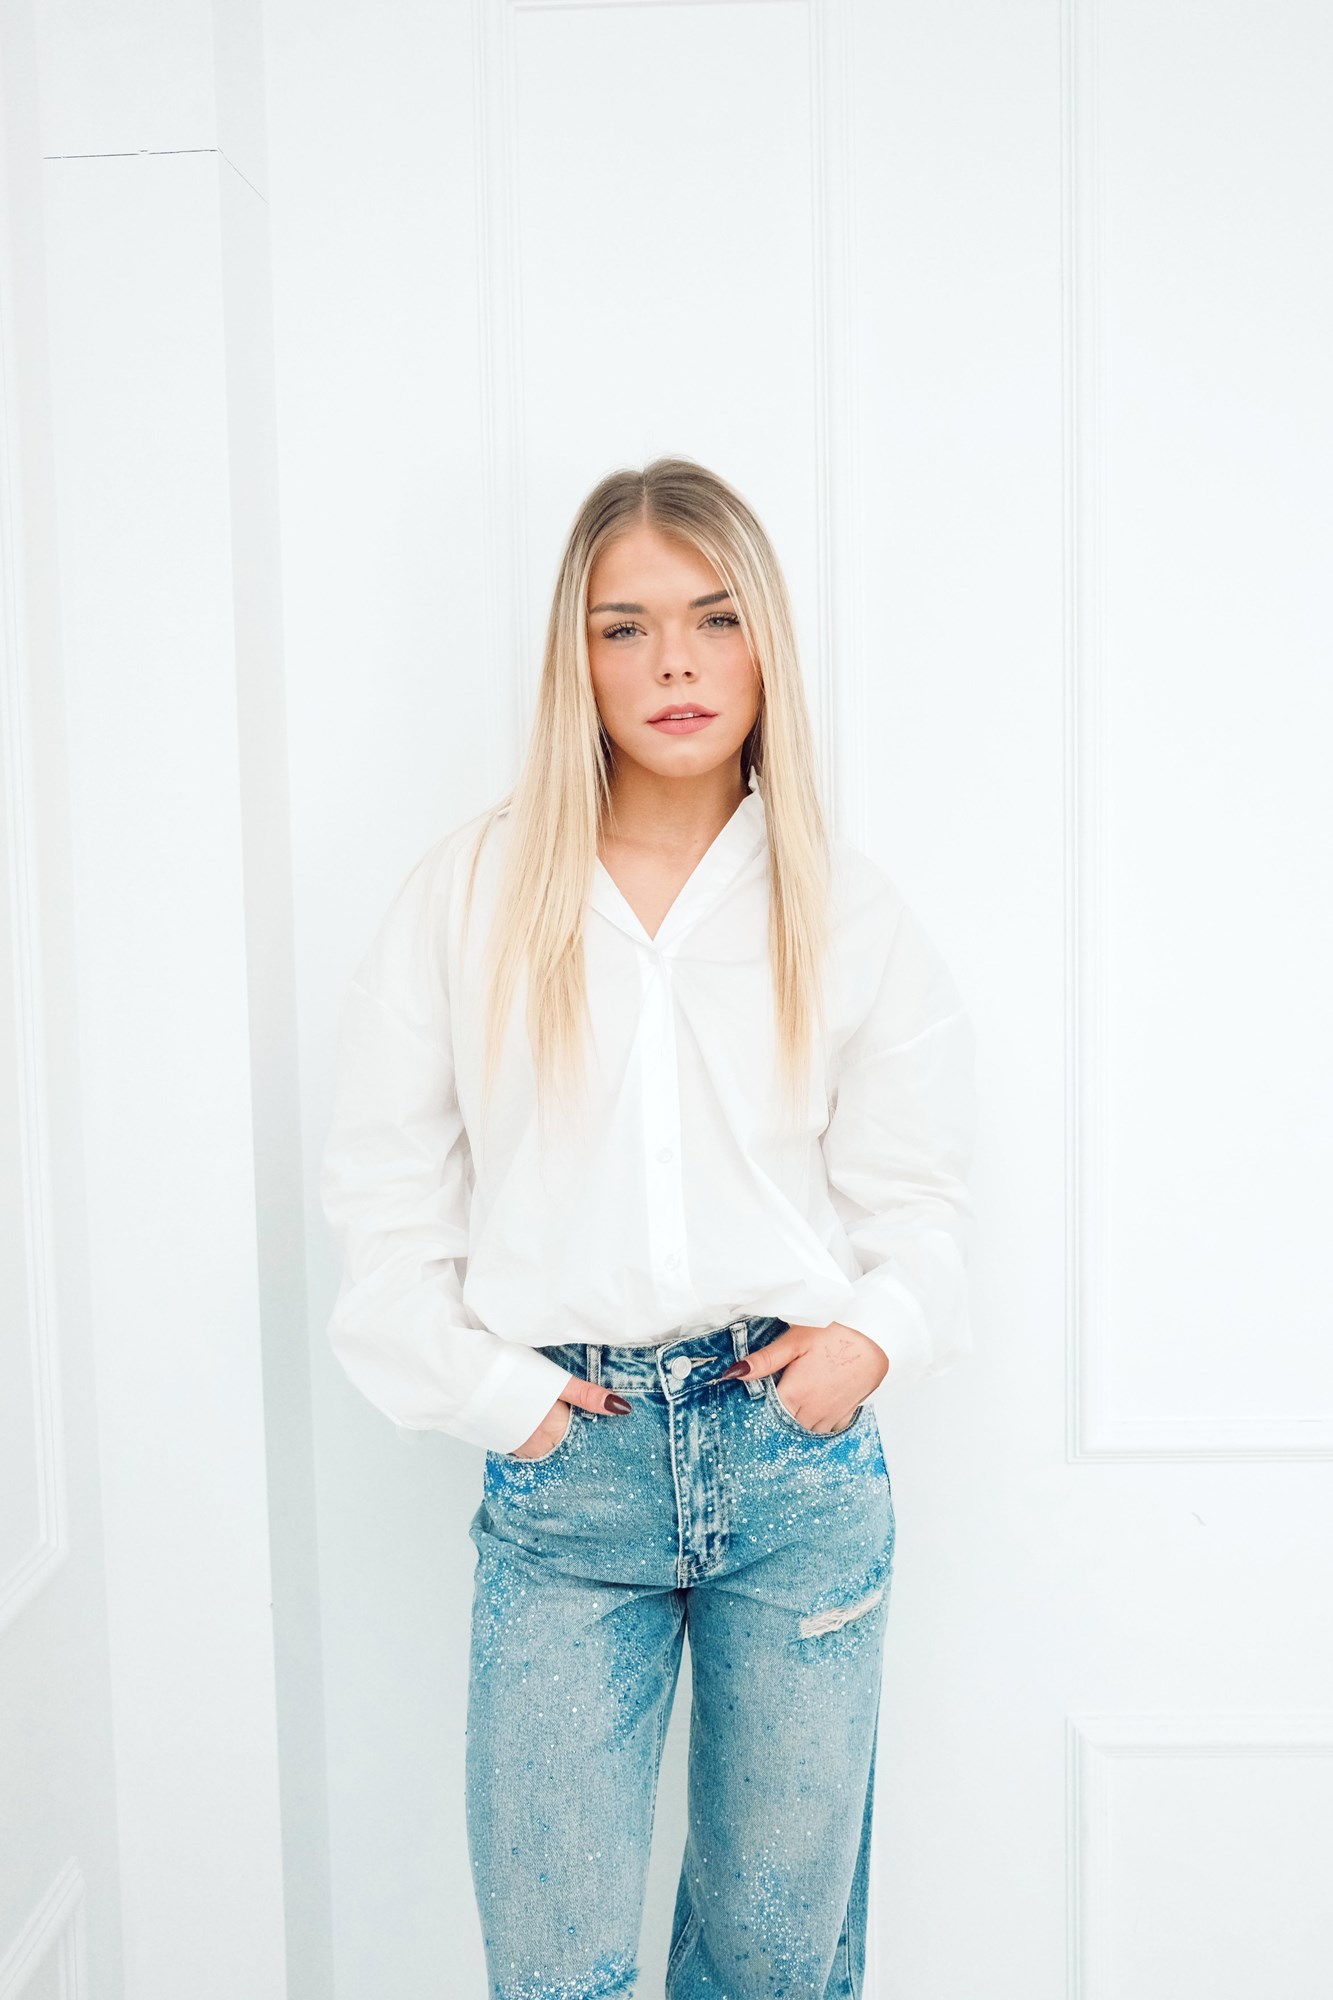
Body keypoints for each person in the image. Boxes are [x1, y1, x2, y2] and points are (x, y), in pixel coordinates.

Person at [319, 456, 977, 1999]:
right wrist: (499, 1397)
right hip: (571, 1480)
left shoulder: (843, 905)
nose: (673, 662)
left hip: (794, 1469)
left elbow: (924, 1199)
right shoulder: (472, 894)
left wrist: (866, 1344)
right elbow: (381, 1188)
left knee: (773, 1960)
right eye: (624, 627)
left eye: (713, 618)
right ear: (577, 659)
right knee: (555, 1967)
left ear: (765, 648)